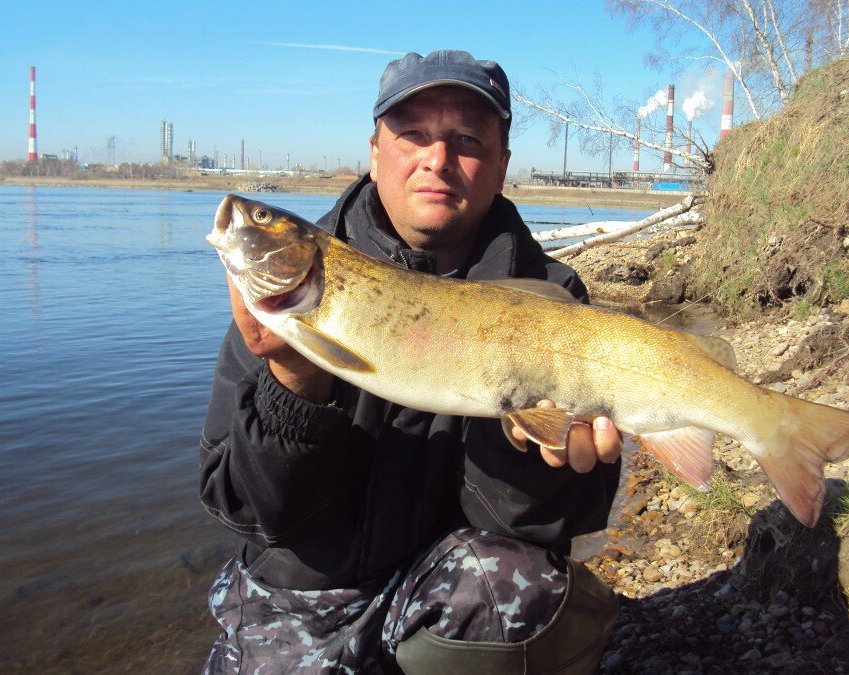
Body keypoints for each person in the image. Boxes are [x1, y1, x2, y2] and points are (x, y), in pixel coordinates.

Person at [200, 49, 623, 674]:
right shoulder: (289, 299)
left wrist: (544, 456)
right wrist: (294, 384)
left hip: (455, 589)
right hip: (302, 591)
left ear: (503, 164)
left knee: (525, 590)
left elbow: (547, 526)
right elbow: (244, 508)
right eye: (413, 135)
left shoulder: (552, 299)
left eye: (467, 139)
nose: (438, 159)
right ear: (375, 152)